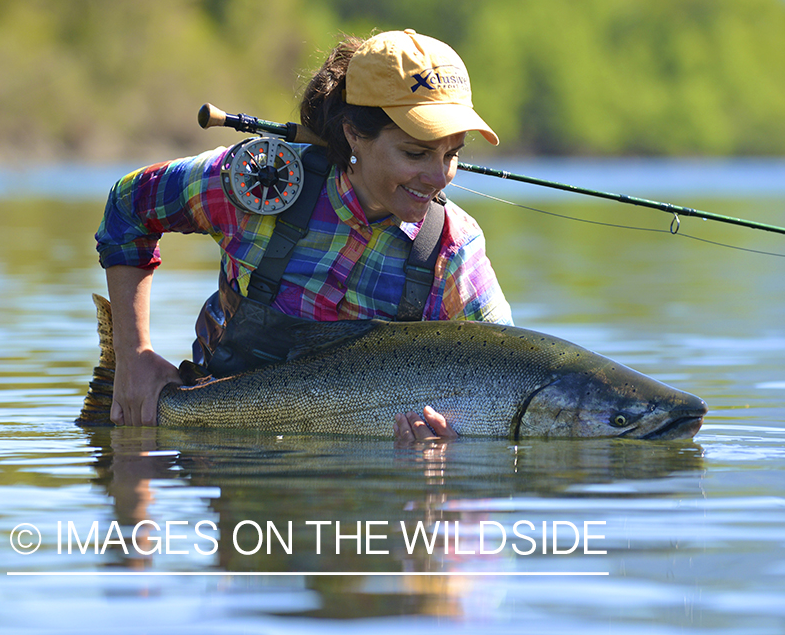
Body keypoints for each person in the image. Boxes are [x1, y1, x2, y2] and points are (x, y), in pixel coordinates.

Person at [95, 29, 512, 441]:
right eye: (415, 153)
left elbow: (505, 382)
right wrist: (134, 356)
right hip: (221, 464)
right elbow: (129, 205)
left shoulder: (453, 250)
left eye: (451, 154)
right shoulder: (258, 185)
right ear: (353, 132)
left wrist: (449, 454)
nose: (439, 178)